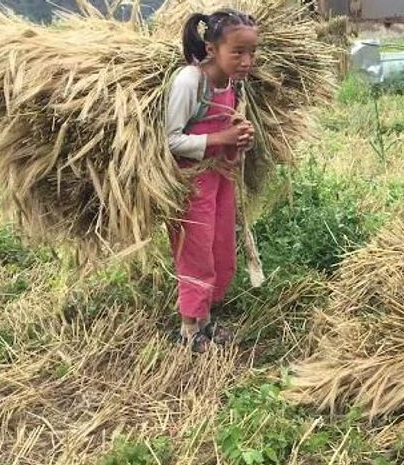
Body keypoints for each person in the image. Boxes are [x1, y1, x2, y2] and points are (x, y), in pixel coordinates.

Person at [165, 9, 258, 353]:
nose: (246, 60)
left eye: (252, 52)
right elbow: (171, 140)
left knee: (219, 248)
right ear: (211, 48)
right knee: (195, 251)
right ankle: (188, 329)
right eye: (237, 52)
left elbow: (226, 129)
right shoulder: (191, 81)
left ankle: (205, 320)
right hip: (190, 182)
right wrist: (222, 138)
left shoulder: (233, 82)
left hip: (221, 177)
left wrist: (240, 139)